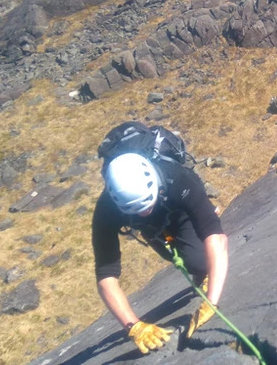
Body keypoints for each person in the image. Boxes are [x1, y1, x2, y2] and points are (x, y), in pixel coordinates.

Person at [91, 151, 229, 354]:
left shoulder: (178, 179)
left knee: (198, 261)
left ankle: (203, 272)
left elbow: (216, 237)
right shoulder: (106, 210)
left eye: (146, 205)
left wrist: (212, 302)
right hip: (148, 227)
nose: (143, 212)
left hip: (177, 208)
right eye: (136, 209)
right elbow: (105, 276)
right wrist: (133, 326)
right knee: (172, 254)